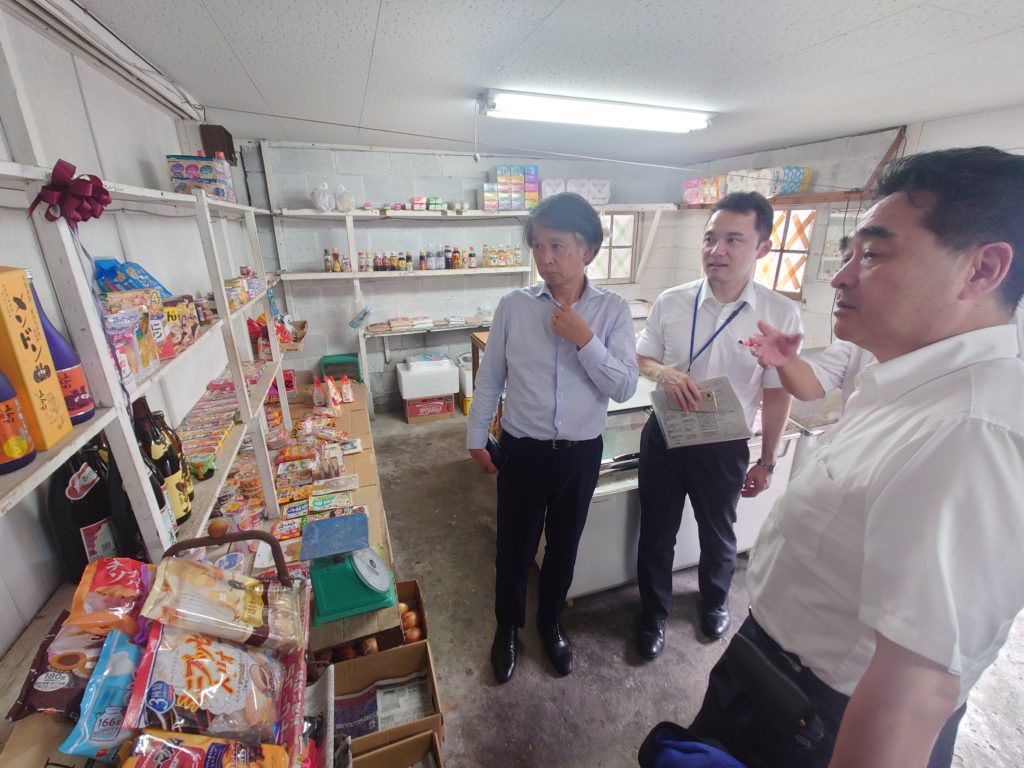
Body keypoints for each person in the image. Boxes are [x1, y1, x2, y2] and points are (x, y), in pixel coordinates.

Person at [687, 146, 1024, 768]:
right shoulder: (905, 380)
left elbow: (913, 694)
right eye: (848, 254)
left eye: (872, 254)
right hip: (776, 675)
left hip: (819, 719)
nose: (840, 277)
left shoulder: (971, 433)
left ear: (981, 271)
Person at [467, 192, 638, 683]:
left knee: (564, 547)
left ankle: (551, 623)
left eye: (557, 246)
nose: (545, 258)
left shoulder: (612, 311)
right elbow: (491, 378)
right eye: (538, 246)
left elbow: (624, 386)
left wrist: (586, 339)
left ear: (588, 250)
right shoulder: (514, 307)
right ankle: (507, 627)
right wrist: (476, 435)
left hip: (581, 454)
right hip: (522, 450)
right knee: (514, 548)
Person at [634, 191, 802, 657]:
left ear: (762, 247)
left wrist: (767, 461)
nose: (717, 250)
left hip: (724, 443)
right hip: (665, 434)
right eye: (710, 238)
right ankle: (653, 614)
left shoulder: (779, 314)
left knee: (718, 532)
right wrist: (664, 374)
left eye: (733, 239)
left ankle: (714, 601)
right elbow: (643, 357)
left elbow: (777, 392)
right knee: (656, 533)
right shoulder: (672, 300)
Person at [748, 237, 876, 409]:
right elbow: (812, 385)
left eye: (870, 256)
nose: (837, 279)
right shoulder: (857, 343)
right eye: (846, 260)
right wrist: (787, 361)